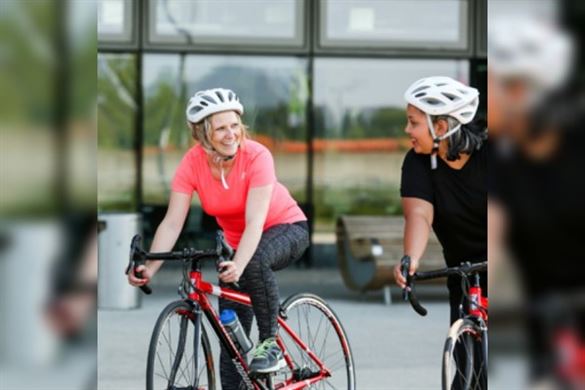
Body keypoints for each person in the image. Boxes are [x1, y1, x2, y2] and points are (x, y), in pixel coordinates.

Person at [127, 88, 310, 388]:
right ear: (203, 133)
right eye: (221, 128)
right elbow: (172, 222)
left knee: (255, 262)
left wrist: (239, 262)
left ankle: (270, 343)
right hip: (240, 246)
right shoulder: (192, 163)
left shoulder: (257, 156)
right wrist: (150, 266)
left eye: (235, 125)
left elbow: (255, 222)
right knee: (231, 344)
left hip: (286, 228)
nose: (231, 134)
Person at [393, 75, 488, 326]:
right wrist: (410, 258)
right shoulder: (417, 162)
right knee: (463, 357)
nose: (407, 130)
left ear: (441, 127)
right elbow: (419, 215)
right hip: (462, 273)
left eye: (413, 123)